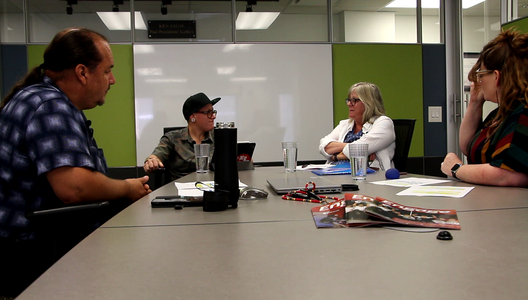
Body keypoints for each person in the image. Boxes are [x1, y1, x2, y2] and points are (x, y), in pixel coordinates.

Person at [0, 28, 151, 298]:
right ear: (82, 73)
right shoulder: (50, 107)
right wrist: (128, 188)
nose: (113, 80)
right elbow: (74, 189)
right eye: (107, 71)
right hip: (33, 252)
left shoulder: (38, 98)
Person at [441, 29, 528, 187]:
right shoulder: (501, 113)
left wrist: (456, 169)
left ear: (496, 76)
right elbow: (469, 147)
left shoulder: (522, 114)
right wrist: (475, 102)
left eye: (481, 75)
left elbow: (507, 175)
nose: (478, 82)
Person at [319, 82, 396, 170]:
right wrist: (360, 150)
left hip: (369, 176)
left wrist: (336, 156)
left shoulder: (383, 122)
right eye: (349, 100)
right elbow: (323, 147)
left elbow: (357, 149)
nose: (349, 104)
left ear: (369, 103)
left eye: (354, 100)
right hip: (335, 172)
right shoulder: (345, 124)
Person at [143, 92, 220, 180]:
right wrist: (151, 161)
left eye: (213, 112)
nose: (213, 116)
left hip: (213, 188)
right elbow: (157, 155)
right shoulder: (173, 138)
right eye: (208, 112)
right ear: (193, 116)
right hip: (180, 189)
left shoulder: (220, 137)